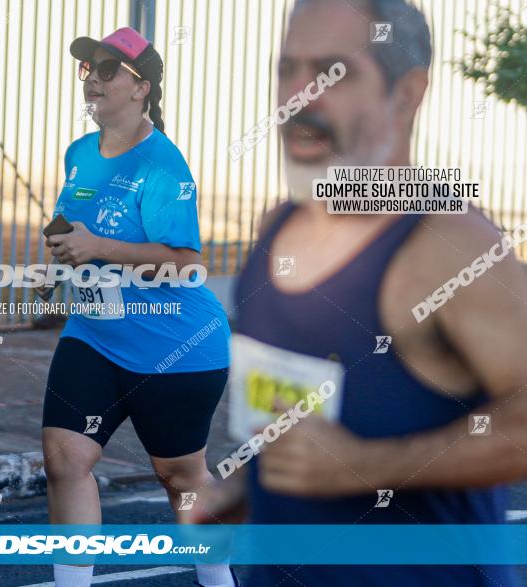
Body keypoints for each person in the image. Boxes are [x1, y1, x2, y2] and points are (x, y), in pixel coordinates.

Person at [193, 1, 527, 585]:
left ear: (407, 93)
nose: (300, 96)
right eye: (287, 69)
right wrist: (248, 486)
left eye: (333, 74)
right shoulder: (278, 230)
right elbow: (312, 417)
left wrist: (366, 467)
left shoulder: (452, 243)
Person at [42, 27, 237, 587]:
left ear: (141, 87)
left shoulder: (162, 166)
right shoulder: (79, 153)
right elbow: (74, 229)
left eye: (108, 72)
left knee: (180, 479)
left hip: (174, 344)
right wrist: (59, 257)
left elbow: (185, 263)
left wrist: (98, 247)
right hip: (94, 335)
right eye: (88, 70)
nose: (93, 81)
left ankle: (218, 579)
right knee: (64, 459)